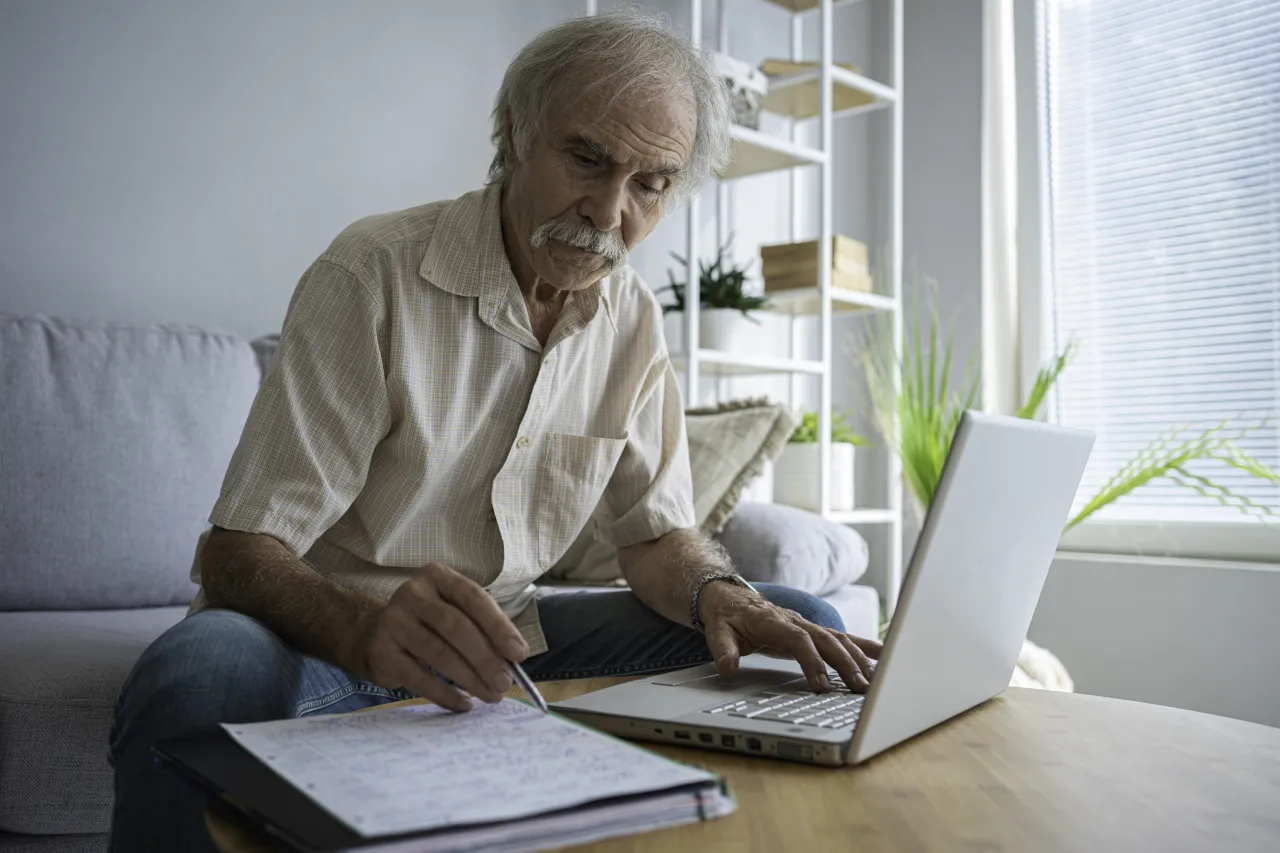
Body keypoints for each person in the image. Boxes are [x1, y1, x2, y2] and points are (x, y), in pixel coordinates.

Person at [108, 10, 881, 851]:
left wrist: (719, 591)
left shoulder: (630, 317)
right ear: (513, 133)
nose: (608, 212)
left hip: (514, 640)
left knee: (791, 619)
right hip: (322, 639)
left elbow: (659, 539)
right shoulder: (372, 273)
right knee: (197, 667)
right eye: (587, 159)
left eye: (651, 184)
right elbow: (238, 551)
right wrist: (365, 631)